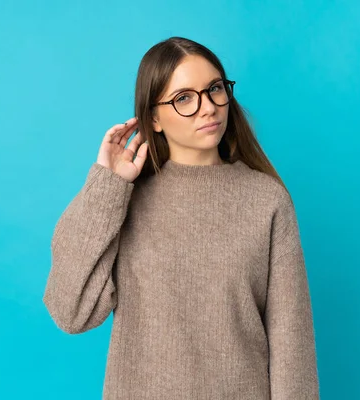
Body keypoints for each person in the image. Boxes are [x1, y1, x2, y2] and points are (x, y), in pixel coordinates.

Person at [43, 36, 320, 399]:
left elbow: (292, 344)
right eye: (184, 98)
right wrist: (106, 186)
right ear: (153, 118)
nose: (208, 108)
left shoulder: (266, 200)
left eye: (215, 89)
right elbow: (71, 312)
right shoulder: (123, 201)